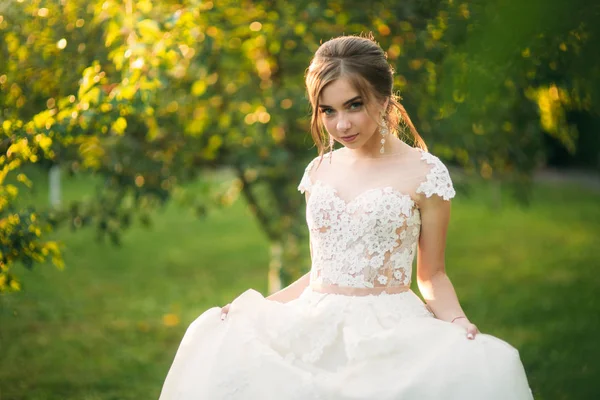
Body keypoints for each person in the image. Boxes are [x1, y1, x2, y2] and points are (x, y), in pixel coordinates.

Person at [158, 34, 533, 399]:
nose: (342, 126)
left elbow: (431, 274)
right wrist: (259, 308)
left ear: (384, 98)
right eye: (328, 111)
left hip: (388, 328)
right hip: (314, 323)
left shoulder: (425, 174)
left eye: (354, 105)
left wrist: (456, 322)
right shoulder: (319, 170)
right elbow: (324, 272)